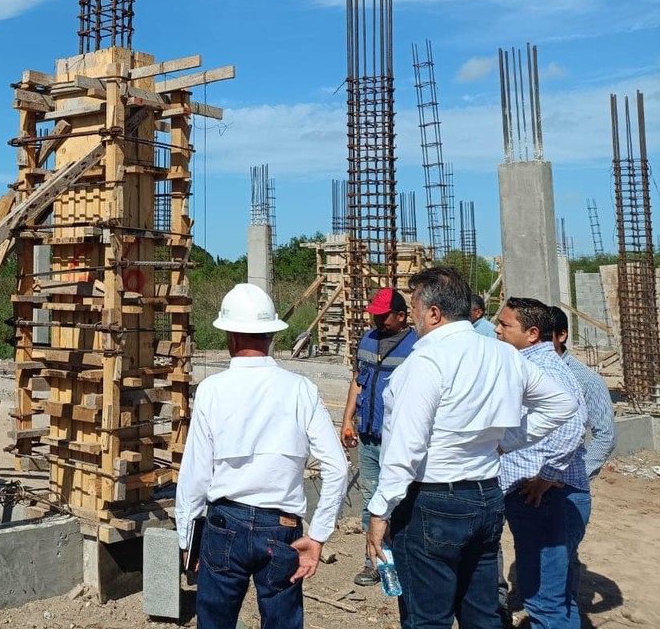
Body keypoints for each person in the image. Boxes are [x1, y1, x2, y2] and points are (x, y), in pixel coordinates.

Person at [366, 267, 580, 629]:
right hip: (485, 497)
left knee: (426, 618)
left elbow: (406, 448)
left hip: (431, 502)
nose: (413, 317)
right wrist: (506, 441)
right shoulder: (504, 355)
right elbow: (562, 404)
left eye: (416, 307)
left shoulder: (427, 361)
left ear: (434, 313)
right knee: (481, 615)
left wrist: (380, 510)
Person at [176, 283, 347, 629]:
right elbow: (338, 468)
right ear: (271, 334)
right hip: (281, 528)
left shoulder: (212, 390)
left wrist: (186, 538)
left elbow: (194, 474)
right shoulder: (300, 389)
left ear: (231, 336)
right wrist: (317, 537)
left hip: (225, 525)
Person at [494, 298, 589, 629]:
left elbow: (574, 425)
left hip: (540, 496)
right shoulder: (535, 364)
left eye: (505, 325)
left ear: (532, 333)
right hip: (541, 495)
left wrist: (545, 478)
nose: (497, 329)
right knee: (557, 600)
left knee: (544, 601)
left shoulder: (542, 369)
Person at [340, 288, 417, 586]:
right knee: (371, 501)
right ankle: (374, 563)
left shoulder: (416, 345)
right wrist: (348, 420)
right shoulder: (368, 339)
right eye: (374, 314)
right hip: (370, 437)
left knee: (402, 502)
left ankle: (407, 562)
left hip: (400, 440)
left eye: (383, 315)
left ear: (401, 315)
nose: (377, 319)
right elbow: (358, 382)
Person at [551, 307, 616, 627]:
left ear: (561, 336)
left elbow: (605, 436)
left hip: (566, 491)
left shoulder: (584, 378)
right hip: (528, 488)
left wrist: (572, 473)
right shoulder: (525, 370)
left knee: (561, 576)